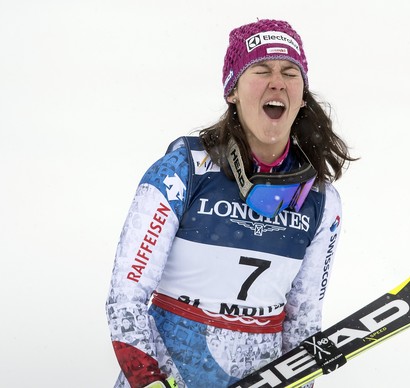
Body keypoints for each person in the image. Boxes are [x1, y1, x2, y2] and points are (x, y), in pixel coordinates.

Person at [106, 19, 357, 388]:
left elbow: (302, 322)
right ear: (232, 91)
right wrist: (149, 381)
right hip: (169, 378)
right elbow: (125, 298)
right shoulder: (182, 172)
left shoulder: (320, 199)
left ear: (302, 94)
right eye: (261, 70)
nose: (277, 82)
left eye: (290, 72)